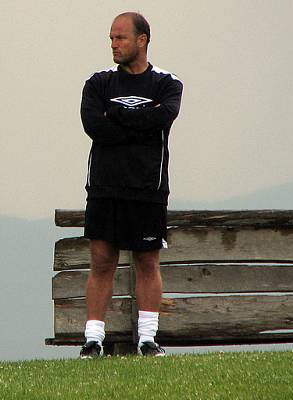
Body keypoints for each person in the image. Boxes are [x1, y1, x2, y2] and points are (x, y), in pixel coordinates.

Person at [78, 12, 183, 358]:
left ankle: (148, 339)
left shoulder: (168, 84)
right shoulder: (98, 84)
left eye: (120, 38)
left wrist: (118, 116)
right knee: (102, 260)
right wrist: (137, 123)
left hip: (147, 189)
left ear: (142, 40)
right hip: (105, 188)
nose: (113, 45)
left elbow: (161, 118)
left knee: (147, 262)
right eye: (111, 38)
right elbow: (95, 126)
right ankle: (93, 340)